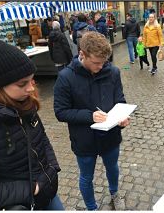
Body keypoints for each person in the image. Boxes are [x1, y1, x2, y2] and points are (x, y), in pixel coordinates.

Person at [53, 32, 129, 210]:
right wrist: (89, 116)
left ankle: (115, 194)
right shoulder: (66, 77)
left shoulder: (113, 72)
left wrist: (122, 116)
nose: (101, 66)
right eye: (96, 62)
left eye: (104, 62)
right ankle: (91, 207)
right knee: (86, 177)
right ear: (82, 54)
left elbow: (120, 99)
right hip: (84, 139)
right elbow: (60, 112)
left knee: (113, 168)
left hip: (110, 135)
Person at [0, 33, 63, 210]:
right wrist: (31, 189)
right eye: (22, 84)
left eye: (32, 80)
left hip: (47, 191)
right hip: (22, 202)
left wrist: (52, 169)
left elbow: (42, 138)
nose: (31, 88)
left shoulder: (26, 104)